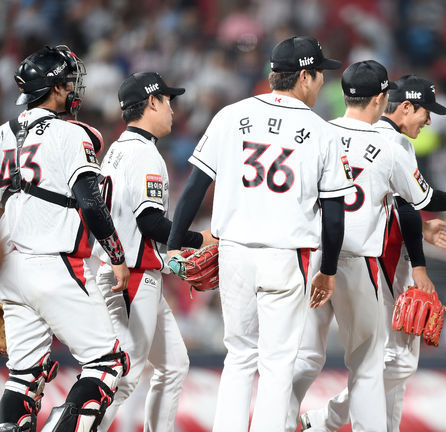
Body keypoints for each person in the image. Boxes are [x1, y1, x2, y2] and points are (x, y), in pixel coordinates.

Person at [166, 36, 354, 432]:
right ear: (304, 76)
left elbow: (195, 185)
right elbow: (335, 216)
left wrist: (174, 244)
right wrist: (329, 271)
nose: (323, 82)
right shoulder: (321, 131)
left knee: (238, 355)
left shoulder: (231, 115)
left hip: (234, 252)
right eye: (320, 74)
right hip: (286, 256)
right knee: (277, 361)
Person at [293, 73, 446, 431]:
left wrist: (420, 230)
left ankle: (288, 420)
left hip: (318, 252)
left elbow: (395, 205)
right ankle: (325, 420)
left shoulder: (326, 131)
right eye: (426, 111)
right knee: (393, 360)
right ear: (404, 106)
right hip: (376, 259)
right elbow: (416, 204)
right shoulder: (393, 144)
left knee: (312, 357)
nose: (428, 120)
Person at [0, 45, 129, 431]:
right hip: (55, 262)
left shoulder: (2, 135)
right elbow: (91, 203)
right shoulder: (70, 133)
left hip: (10, 270)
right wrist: (116, 255)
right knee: (106, 363)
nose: (73, 88)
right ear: (55, 87)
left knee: (24, 375)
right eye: (69, 81)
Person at [93, 72, 215, 432]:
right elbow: (151, 224)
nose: (173, 110)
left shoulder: (118, 149)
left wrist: (166, 261)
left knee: (173, 364)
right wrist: (199, 240)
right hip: (130, 277)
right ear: (152, 102)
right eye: (168, 101)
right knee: (124, 375)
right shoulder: (145, 154)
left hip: (132, 270)